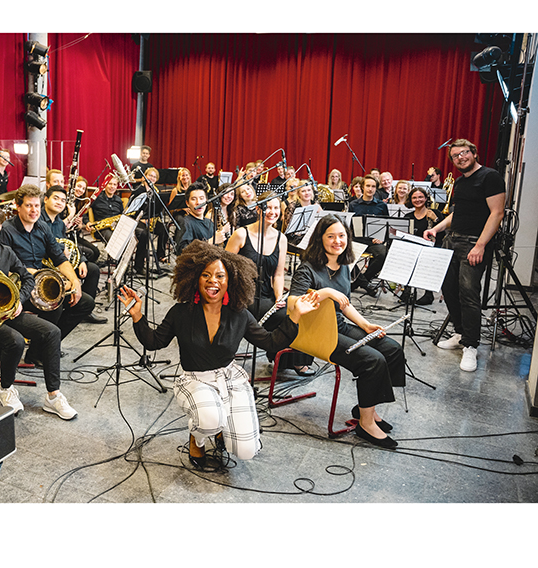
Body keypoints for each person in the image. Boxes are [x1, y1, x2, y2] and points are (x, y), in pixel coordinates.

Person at [118, 241, 319, 466]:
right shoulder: (180, 313)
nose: (213, 280)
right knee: (209, 421)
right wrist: (137, 315)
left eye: (220, 276)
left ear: (230, 281)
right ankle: (198, 438)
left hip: (229, 379)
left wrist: (295, 316)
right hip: (195, 380)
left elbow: (271, 343)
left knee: (246, 450)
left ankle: (222, 424)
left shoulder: (239, 314)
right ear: (195, 278)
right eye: (206, 275)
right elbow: (154, 342)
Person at [288, 214, 406, 449]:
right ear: (320, 239)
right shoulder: (307, 269)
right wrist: (326, 293)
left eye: (341, 236)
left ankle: (366, 409)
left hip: (338, 326)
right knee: (372, 360)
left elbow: (345, 304)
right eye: (330, 236)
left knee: (392, 349)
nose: (337, 241)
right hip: (315, 333)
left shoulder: (342, 266)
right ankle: (366, 424)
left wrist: (365, 325)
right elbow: (293, 304)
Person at [0, 202, 76, 419]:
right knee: (15, 340)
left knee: (52, 332)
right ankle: (5, 388)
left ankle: (53, 396)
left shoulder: (6, 252)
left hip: (6, 313)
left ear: (0, 226)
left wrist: (19, 299)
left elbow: (28, 278)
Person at [424, 138, 505, 372]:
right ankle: (460, 334)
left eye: (464, 153)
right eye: (455, 156)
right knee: (449, 289)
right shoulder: (459, 182)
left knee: (469, 294)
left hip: (473, 243)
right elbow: (456, 213)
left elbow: (497, 213)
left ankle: (471, 346)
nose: (461, 158)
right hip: (452, 241)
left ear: (474, 153)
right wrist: (436, 229)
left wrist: (480, 245)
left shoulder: (490, 177)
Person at [0, 184, 95, 355]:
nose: (34, 210)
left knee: (86, 303)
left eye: (36, 205)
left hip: (39, 281)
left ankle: (47, 345)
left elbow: (60, 258)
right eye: (28, 205)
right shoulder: (6, 230)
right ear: (18, 206)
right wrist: (37, 275)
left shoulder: (43, 227)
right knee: (53, 304)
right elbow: (4, 267)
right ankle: (38, 353)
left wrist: (74, 282)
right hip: (17, 286)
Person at [226, 193, 313, 375]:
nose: (273, 212)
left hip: (266, 294)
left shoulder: (281, 238)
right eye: (269, 208)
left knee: (297, 312)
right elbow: (224, 269)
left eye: (276, 208)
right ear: (258, 209)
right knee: (286, 317)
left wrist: (279, 297)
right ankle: (288, 359)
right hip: (242, 295)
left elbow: (278, 274)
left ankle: (286, 360)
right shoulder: (241, 234)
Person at [40, 185, 105, 324]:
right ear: (45, 199)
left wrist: (81, 260)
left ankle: (84, 311)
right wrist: (60, 249)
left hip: (60, 261)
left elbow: (68, 242)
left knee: (92, 269)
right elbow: (42, 245)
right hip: (47, 264)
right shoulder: (38, 220)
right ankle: (70, 312)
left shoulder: (59, 223)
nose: (59, 203)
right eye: (56, 198)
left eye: (63, 200)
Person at [348, 175, 388, 296]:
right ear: (362, 187)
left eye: (373, 186)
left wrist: (381, 238)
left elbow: (387, 226)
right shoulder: (353, 204)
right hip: (356, 239)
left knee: (382, 254)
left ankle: (358, 282)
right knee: (343, 254)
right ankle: (366, 284)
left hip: (373, 241)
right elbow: (349, 225)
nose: (370, 189)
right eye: (368, 186)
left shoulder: (382, 205)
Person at [401, 186, 440, 306]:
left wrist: (435, 220)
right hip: (414, 248)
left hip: (431, 247)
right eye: (414, 198)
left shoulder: (435, 214)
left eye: (420, 197)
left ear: (426, 198)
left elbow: (443, 233)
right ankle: (407, 291)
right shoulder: (408, 216)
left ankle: (428, 294)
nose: (418, 200)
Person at [175, 183, 214, 255]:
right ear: (187, 203)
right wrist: (210, 242)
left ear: (206, 201)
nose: (198, 202)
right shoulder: (185, 223)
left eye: (201, 198)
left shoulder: (210, 222)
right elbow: (182, 250)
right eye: (193, 199)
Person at [283, 180, 320, 247]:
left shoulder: (316, 205)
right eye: (303, 191)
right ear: (298, 194)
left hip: (312, 237)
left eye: (309, 190)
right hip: (295, 239)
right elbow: (288, 230)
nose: (307, 193)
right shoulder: (292, 206)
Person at [90, 174, 125, 243]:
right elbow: (87, 211)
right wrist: (87, 222)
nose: (112, 186)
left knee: (139, 232)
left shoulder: (118, 199)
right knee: (113, 238)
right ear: (105, 184)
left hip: (116, 226)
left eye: (114, 184)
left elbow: (122, 214)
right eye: (110, 184)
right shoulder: (97, 198)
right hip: (102, 228)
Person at [168, 168, 193, 233]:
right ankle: (179, 239)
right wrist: (182, 208)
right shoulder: (175, 190)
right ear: (179, 177)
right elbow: (171, 208)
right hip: (178, 213)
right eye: (183, 175)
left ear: (190, 176)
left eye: (187, 175)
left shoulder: (192, 189)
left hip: (191, 212)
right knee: (182, 222)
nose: (185, 177)